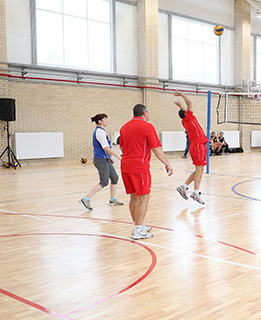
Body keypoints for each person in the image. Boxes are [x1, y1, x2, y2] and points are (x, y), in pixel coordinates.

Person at [119, 103, 173, 239]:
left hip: (125, 165)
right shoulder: (148, 127)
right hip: (139, 167)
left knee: (134, 197)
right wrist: (167, 163)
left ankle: (138, 225)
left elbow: (121, 147)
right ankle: (138, 230)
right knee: (143, 197)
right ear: (145, 113)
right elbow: (156, 149)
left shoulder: (124, 127)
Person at [81, 113, 123, 210]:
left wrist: (109, 157)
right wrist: (118, 156)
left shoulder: (102, 131)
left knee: (114, 178)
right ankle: (86, 199)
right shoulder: (99, 132)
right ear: (100, 121)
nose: (107, 121)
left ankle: (112, 199)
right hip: (100, 160)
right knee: (104, 181)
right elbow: (106, 147)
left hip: (105, 159)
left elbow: (104, 148)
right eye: (105, 119)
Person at [173, 92, 208, 205]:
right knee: (199, 170)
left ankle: (184, 187)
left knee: (200, 170)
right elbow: (189, 102)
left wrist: (180, 106)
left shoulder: (185, 119)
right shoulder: (188, 117)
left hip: (198, 144)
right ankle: (195, 192)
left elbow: (184, 109)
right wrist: (181, 94)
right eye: (185, 109)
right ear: (186, 113)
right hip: (197, 144)